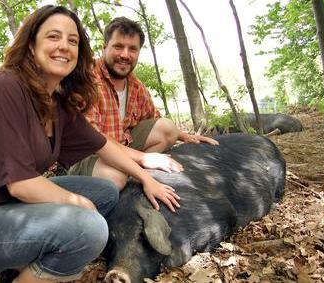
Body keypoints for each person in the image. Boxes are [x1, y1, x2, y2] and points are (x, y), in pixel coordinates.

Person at [0, 6, 180, 283]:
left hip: (12, 205)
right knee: (89, 229)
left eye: (73, 41)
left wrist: (145, 178)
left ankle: (41, 257)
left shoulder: (56, 101)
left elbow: (103, 145)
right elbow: (21, 184)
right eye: (53, 37)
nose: (64, 47)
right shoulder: (3, 88)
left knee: (105, 192)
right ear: (31, 45)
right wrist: (76, 203)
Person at [69, 17, 219, 188]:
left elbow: (155, 119)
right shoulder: (86, 80)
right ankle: (132, 173)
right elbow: (92, 139)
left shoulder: (136, 86)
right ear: (105, 48)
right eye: (118, 47)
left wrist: (185, 136)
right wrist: (143, 158)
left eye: (132, 49)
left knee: (167, 128)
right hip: (89, 154)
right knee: (114, 178)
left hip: (123, 146)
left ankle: (132, 175)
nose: (125, 55)